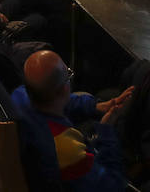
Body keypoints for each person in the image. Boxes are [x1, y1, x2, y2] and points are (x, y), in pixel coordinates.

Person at [12, 50, 132, 192]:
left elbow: (64, 100)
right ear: (64, 89)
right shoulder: (67, 151)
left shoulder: (19, 95)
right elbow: (113, 185)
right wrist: (106, 130)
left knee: (102, 96)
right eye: (68, 75)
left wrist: (97, 106)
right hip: (80, 175)